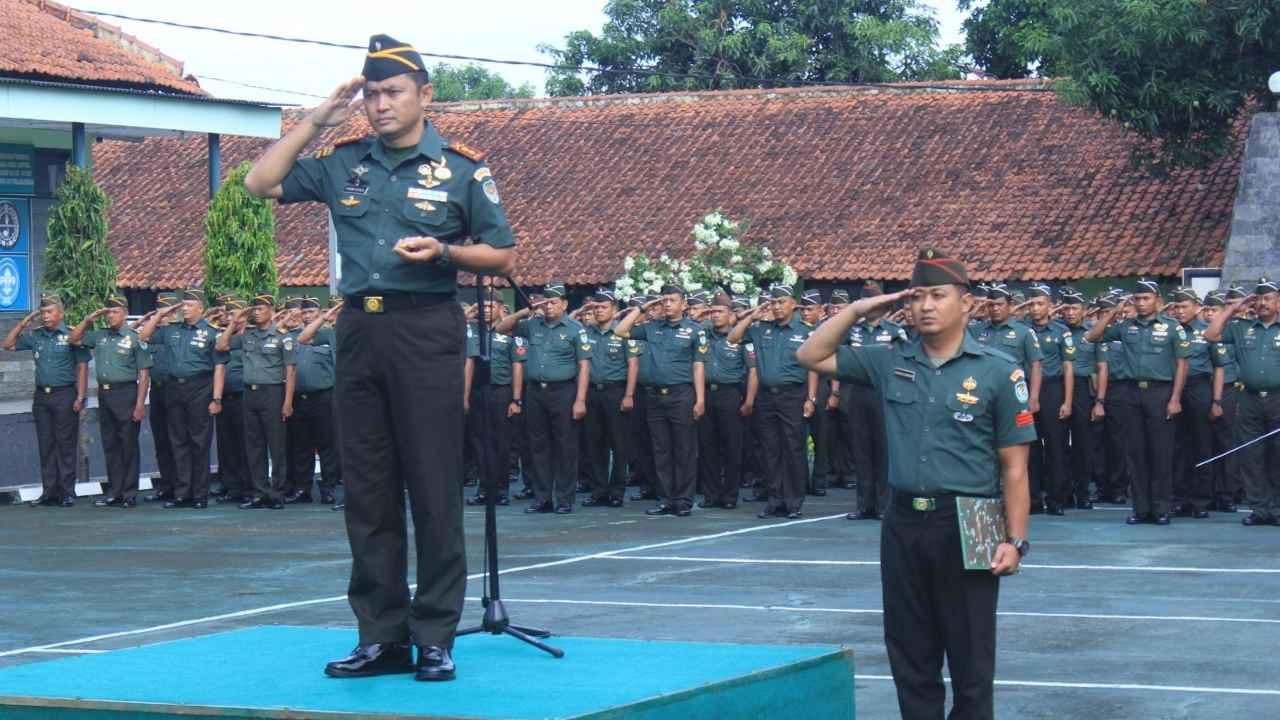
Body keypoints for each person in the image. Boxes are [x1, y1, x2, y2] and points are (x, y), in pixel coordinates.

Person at [244, 33, 517, 681]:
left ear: (426, 95)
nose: (380, 104)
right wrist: (318, 119)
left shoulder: (461, 169)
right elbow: (259, 181)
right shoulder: (344, 162)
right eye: (370, 94)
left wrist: (446, 251)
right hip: (358, 330)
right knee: (366, 490)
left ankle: (435, 635)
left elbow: (502, 254)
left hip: (425, 328)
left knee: (433, 485)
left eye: (392, 92)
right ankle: (381, 635)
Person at [797, 248, 1032, 720]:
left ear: (966, 303)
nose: (925, 306)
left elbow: (1015, 468)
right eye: (918, 296)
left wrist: (1016, 540)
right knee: (910, 652)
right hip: (903, 518)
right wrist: (860, 309)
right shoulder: (890, 362)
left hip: (971, 519)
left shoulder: (998, 371)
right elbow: (809, 354)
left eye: (938, 296)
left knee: (970, 656)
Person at [1085, 278, 1191, 525]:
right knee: (1136, 452)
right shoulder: (1125, 327)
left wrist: (1175, 398)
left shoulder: (1172, 327)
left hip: (1160, 392)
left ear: (1157, 301)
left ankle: (1161, 508)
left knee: (1161, 452)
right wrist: (1114, 310)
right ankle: (1141, 509)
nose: (1141, 303)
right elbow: (1092, 336)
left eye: (1146, 298)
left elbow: (1182, 364)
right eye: (1137, 299)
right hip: (1131, 393)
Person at [494, 283, 589, 514]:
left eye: (553, 302)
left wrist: (580, 400)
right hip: (536, 392)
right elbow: (500, 328)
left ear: (565, 304)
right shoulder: (532, 325)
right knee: (538, 446)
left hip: (563, 391)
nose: (548, 307)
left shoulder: (575, 329)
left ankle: (564, 499)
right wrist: (525, 311)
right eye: (545, 302)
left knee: (565, 446)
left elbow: (584, 365)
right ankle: (542, 498)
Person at [615, 284, 708, 516]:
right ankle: (666, 499)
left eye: (672, 300)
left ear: (683, 304)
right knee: (661, 450)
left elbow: (698, 366)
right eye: (664, 300)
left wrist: (700, 399)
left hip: (681, 395)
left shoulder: (695, 330)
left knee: (684, 450)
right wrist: (642, 308)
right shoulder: (652, 327)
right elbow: (620, 330)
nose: (667, 304)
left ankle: (683, 501)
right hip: (655, 396)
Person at [728, 284, 818, 519]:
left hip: (793, 395)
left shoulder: (805, 331)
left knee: (793, 449)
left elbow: (813, 367)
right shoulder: (761, 329)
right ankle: (775, 500)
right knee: (770, 450)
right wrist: (752, 316)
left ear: (793, 304)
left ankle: (793, 502)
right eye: (774, 302)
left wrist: (811, 398)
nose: (777, 307)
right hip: (767, 396)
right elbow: (733, 337)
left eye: (782, 302)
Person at [1203, 278, 1280, 526]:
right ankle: (1259, 509)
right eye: (1259, 299)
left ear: (1278, 302)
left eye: (1268, 298)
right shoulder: (1240, 327)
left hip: (1278, 398)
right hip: (1249, 399)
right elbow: (1210, 334)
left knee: (1277, 457)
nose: (1262, 303)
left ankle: (1277, 509)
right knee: (1252, 455)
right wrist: (1233, 308)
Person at [2, 294, 89, 506]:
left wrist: (80, 396)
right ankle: (49, 491)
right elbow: (7, 344)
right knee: (46, 444)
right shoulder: (37, 335)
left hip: (64, 394)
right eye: (42, 313)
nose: (45, 316)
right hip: (42, 396)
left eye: (49, 312)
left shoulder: (71, 335)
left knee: (65, 444)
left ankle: (67, 492)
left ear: (60, 314)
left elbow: (82, 367)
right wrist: (24, 322)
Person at [68, 294, 152, 508]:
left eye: (115, 312)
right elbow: (73, 339)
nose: (110, 316)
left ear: (125, 313)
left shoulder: (134, 338)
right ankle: (114, 492)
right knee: (110, 444)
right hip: (105, 395)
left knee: (128, 445)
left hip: (126, 393)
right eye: (108, 312)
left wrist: (140, 404)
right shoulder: (100, 335)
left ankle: (129, 493)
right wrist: (88, 320)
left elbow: (143, 375)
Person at [216, 293, 296, 510]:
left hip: (273, 393)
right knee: (254, 446)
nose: (257, 312)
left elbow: (290, 371)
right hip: (250, 394)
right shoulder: (247, 336)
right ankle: (259, 492)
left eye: (261, 308)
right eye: (254, 309)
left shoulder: (282, 337)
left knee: (276, 446)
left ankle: (276, 493)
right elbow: (221, 346)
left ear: (271, 310)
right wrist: (234, 322)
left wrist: (288, 402)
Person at [139, 287, 218, 509]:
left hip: (200, 388)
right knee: (178, 441)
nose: (185, 309)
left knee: (198, 442)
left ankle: (199, 494)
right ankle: (182, 493)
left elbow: (219, 366)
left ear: (201, 308)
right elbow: (143, 336)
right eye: (183, 305)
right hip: (174, 388)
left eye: (190, 305)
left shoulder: (210, 332)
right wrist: (159, 315)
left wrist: (216, 398)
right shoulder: (172, 330)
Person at [841, 281, 905, 519]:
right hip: (858, 392)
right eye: (865, 302)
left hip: (884, 393)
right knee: (861, 449)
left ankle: (883, 504)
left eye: (873, 302)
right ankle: (863, 504)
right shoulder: (853, 330)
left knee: (883, 449)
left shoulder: (894, 331)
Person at [463, 291, 524, 507]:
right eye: (483, 306)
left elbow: (517, 367)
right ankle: (484, 489)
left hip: (501, 392)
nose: (487, 310)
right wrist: (465, 397)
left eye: (491, 306)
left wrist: (516, 399)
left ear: (500, 308)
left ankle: (501, 490)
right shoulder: (472, 330)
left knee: (501, 442)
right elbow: (468, 364)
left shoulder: (511, 332)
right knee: (479, 442)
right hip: (478, 392)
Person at [697, 292, 757, 509]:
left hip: (730, 394)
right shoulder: (703, 334)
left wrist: (749, 401)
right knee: (707, 446)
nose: (715, 315)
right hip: (706, 394)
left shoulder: (742, 337)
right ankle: (711, 495)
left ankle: (730, 495)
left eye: (720, 311)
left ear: (731, 314)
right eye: (712, 311)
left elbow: (753, 371)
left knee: (732, 447)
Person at [581, 287, 638, 508]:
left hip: (616, 392)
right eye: (596, 307)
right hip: (592, 392)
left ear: (614, 309)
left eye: (603, 307)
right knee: (595, 444)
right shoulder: (587, 332)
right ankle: (599, 491)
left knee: (619, 444)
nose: (598, 311)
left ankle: (617, 492)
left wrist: (629, 395)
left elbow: (633, 364)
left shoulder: (623, 332)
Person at [1025, 283, 1075, 515]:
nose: (1035, 308)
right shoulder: (1022, 330)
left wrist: (1067, 401)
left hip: (1053, 390)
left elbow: (1068, 368)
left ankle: (1056, 500)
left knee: (1056, 447)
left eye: (1040, 303)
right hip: (1026, 389)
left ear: (1050, 306)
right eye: (1032, 304)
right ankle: (1033, 500)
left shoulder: (1061, 331)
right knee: (1030, 448)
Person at [1168, 287, 1215, 518]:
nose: (1179, 311)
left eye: (1184, 306)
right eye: (1176, 306)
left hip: (1198, 386)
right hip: (1172, 388)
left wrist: (1216, 400)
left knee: (1201, 443)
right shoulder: (1169, 330)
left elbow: (1219, 366)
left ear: (1197, 308)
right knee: (1176, 445)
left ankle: (1201, 500)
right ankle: (1180, 498)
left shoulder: (1207, 331)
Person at [292, 297, 342, 505]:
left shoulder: (328, 334)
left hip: (323, 396)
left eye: (311, 312)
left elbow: (338, 365)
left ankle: (328, 488)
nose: (307, 316)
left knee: (327, 445)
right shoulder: (293, 336)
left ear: (320, 313)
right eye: (304, 313)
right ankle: (303, 488)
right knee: (301, 446)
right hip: (299, 398)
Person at [1059, 287, 1104, 509]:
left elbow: (1101, 368)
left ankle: (1083, 493)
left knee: (1083, 444)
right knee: (1059, 444)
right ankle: (1064, 493)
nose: (1070, 313)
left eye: (1074, 308)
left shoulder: (1092, 333)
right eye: (1066, 308)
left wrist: (1099, 401)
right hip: (1057, 387)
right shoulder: (1056, 331)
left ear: (1083, 310)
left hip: (1083, 389)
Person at [1201, 292, 1240, 512]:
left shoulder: (1233, 331)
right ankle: (1206, 491)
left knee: (1226, 443)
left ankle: (1226, 493)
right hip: (1202, 390)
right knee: (1204, 442)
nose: (1209, 314)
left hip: (1227, 390)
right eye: (1207, 310)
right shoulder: (1199, 332)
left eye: (1214, 310)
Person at [139, 293, 179, 502]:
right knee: (161, 440)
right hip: (157, 390)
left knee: (177, 440)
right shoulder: (154, 332)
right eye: (161, 311)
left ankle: (181, 486)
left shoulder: (178, 331)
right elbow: (141, 337)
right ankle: (166, 485)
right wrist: (154, 317)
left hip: (175, 390)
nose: (164, 316)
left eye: (166, 311)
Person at [211, 295, 251, 505]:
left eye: (234, 314)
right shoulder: (226, 337)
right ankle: (231, 486)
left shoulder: (251, 336)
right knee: (227, 445)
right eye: (228, 314)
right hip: (225, 397)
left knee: (246, 444)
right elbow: (220, 348)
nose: (230, 318)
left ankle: (248, 487)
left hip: (245, 396)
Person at [799, 289, 834, 497]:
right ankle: (801, 481)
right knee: (798, 438)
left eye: (809, 309)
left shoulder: (826, 332)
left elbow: (835, 365)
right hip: (798, 386)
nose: (805, 313)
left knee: (820, 438)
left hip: (821, 386)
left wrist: (834, 393)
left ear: (820, 310)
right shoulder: (796, 330)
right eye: (802, 309)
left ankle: (819, 480)